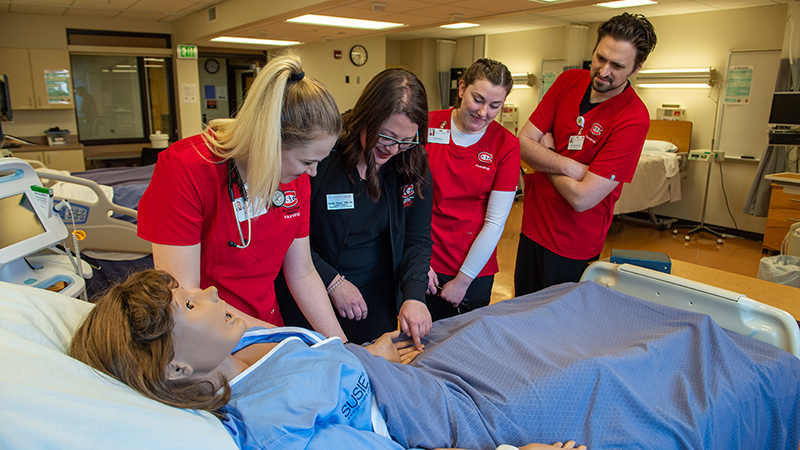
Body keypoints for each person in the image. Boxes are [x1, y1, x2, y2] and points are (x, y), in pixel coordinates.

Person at [70, 269, 587, 450]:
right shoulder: (278, 427)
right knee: (579, 356)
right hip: (443, 413)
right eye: (189, 303)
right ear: (176, 369)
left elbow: (320, 361)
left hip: (399, 371)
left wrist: (366, 355)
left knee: (533, 311)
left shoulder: (249, 344)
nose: (208, 288)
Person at [137, 54, 346, 340]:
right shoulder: (186, 169)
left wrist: (339, 345)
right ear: (269, 141)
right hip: (207, 334)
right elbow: (185, 296)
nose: (312, 173)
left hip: (266, 323)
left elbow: (303, 273)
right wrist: (282, 339)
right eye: (307, 162)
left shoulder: (294, 178)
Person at [277, 68, 433, 349]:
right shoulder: (323, 155)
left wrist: (414, 295)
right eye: (385, 136)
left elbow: (417, 239)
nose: (393, 149)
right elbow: (288, 236)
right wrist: (332, 282)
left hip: (376, 297)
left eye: (406, 140)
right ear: (367, 117)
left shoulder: (410, 161)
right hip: (313, 290)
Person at [514, 13, 657, 295]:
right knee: (520, 319)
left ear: (636, 68)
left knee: (558, 330)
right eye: (600, 58)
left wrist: (548, 153)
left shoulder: (633, 118)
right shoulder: (568, 82)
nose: (603, 72)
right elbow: (523, 143)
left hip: (572, 244)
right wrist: (572, 167)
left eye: (617, 66)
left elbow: (582, 198)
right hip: (532, 228)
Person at [424, 58, 520, 321]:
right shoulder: (428, 126)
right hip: (425, 260)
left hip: (472, 268)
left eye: (495, 106)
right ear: (462, 87)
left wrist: (464, 281)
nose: (483, 112)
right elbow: (405, 201)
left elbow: (495, 222)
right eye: (478, 99)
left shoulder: (506, 145)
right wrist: (417, 261)